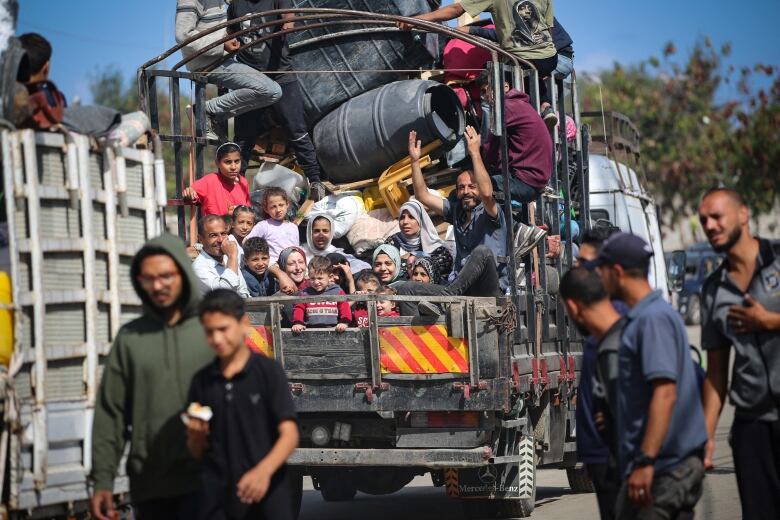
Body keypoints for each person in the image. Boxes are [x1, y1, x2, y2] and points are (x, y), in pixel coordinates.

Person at [90, 234, 213, 520]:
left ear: (183, 272)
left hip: (210, 482)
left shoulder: (212, 330)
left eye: (166, 275)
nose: (158, 285)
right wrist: (103, 481)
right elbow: (111, 414)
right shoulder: (130, 338)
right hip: (151, 486)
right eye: (149, 278)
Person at [587, 233, 707, 519]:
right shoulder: (645, 316)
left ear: (616, 272)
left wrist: (646, 462)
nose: (598, 278)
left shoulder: (652, 319)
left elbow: (665, 393)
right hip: (657, 467)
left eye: (601, 270)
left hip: (664, 469)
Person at [698, 188, 780, 519]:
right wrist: (705, 437)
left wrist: (769, 321)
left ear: (743, 215)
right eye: (704, 220)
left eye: (717, 216)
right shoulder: (714, 289)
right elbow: (716, 372)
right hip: (753, 425)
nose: (710, 225)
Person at [186, 289, 299, 520]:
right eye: (209, 332)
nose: (217, 339)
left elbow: (289, 434)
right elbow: (196, 451)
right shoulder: (202, 381)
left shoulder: (268, 372)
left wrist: (263, 472)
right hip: (217, 500)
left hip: (266, 495)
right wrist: (195, 437)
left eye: (223, 329)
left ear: (244, 324)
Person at [226, 0, 328, 201]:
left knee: (296, 129)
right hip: (249, 78)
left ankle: (315, 181)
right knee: (243, 137)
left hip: (280, 74)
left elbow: (289, 15)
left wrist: (287, 24)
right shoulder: (236, 4)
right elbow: (230, 32)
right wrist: (229, 42)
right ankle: (234, 190)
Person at [401, 0, 557, 118]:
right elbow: (549, 30)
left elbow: (456, 9)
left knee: (488, 93)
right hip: (549, 57)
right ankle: (545, 106)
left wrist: (417, 20)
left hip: (522, 61)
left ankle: (492, 142)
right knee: (531, 74)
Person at [560, 267, 625, 520]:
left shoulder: (617, 339)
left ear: (573, 308)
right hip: (601, 459)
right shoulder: (595, 340)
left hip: (619, 461)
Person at [175, 0, 282, 141]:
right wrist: (222, 43)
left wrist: (227, 38)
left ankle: (211, 116)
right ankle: (204, 110)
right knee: (270, 90)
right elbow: (183, 36)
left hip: (221, 60)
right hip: (208, 63)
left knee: (271, 92)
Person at [476, 70, 552, 206]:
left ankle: (512, 226)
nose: (484, 97)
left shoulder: (506, 108)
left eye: (485, 90)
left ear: (505, 86)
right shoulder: (519, 104)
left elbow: (490, 151)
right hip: (536, 180)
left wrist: (474, 153)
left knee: (476, 188)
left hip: (527, 183)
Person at [386, 200, 452, 281]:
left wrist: (407, 259)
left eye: (411, 217)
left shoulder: (436, 247)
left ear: (421, 220)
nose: (405, 222)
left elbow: (436, 268)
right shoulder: (392, 242)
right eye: (402, 217)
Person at [183, 143, 251, 217]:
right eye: (228, 162)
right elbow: (190, 193)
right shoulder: (209, 181)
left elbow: (247, 212)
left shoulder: (243, 182)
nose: (233, 167)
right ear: (217, 163)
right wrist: (188, 193)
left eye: (237, 161)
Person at [193, 214, 250, 298]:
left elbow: (243, 292)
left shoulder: (227, 258)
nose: (220, 240)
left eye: (223, 233)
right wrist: (232, 257)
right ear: (201, 239)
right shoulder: (199, 268)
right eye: (213, 235)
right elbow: (224, 293)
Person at [291, 256, 352, 333]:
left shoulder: (337, 291)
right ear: (308, 276)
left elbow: (344, 306)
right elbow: (299, 308)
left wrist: (344, 322)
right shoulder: (305, 293)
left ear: (330, 277)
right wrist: (298, 323)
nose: (316, 282)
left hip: (333, 330)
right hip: (310, 331)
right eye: (312, 278)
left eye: (320, 278)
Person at [301, 213, 370, 273]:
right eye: (316, 231)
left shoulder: (335, 254)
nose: (321, 235)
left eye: (325, 231)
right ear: (310, 233)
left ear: (331, 233)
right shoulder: (300, 252)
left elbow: (362, 266)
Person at [245, 187, 299, 264]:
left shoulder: (294, 227)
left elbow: (296, 249)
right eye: (273, 206)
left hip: (292, 266)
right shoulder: (263, 226)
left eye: (281, 205)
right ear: (266, 209)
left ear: (287, 204)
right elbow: (247, 242)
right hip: (273, 267)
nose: (278, 210)